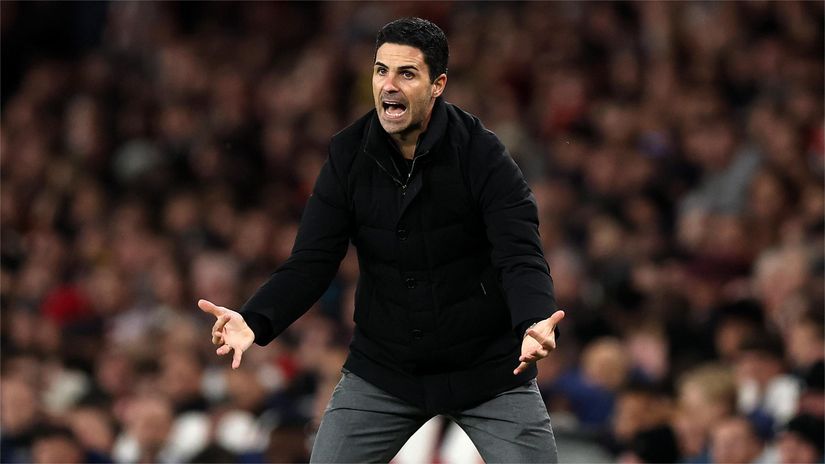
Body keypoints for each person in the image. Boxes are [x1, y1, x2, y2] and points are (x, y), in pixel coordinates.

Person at [198, 17, 564, 463]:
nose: (388, 85)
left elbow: (519, 253)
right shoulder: (348, 153)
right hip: (387, 369)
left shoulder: (482, 154)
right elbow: (312, 261)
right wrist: (255, 320)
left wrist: (535, 319)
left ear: (438, 85)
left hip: (488, 368)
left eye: (406, 73)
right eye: (380, 70)